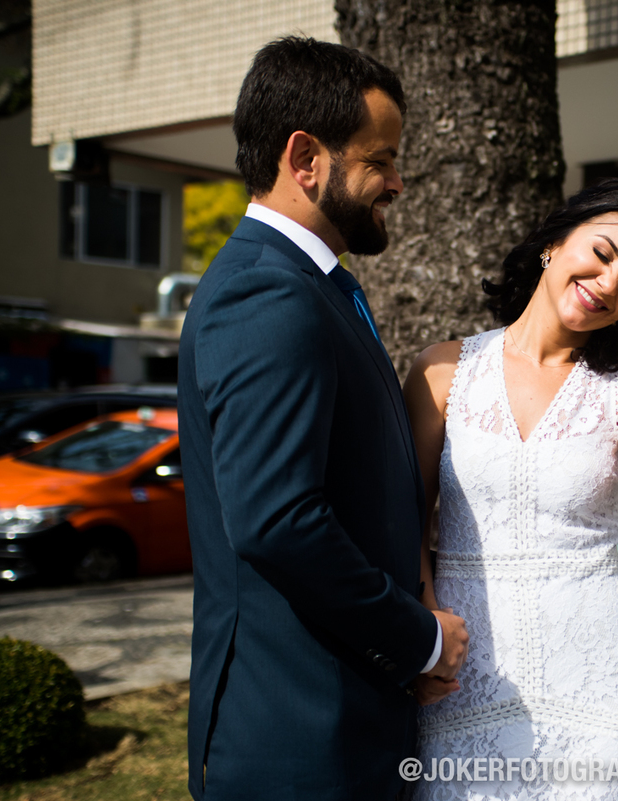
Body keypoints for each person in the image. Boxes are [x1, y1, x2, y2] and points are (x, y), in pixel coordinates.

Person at [177, 37, 468, 801]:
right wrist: (418, 639)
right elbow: (277, 519)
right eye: (381, 159)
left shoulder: (316, 286)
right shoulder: (267, 294)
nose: (399, 183)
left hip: (341, 727)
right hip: (297, 745)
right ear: (305, 158)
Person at [402, 179, 618, 799]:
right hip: (467, 684)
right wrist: (423, 632)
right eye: (602, 252)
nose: (609, 282)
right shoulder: (442, 372)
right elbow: (403, 513)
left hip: (604, 692)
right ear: (552, 244)